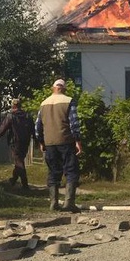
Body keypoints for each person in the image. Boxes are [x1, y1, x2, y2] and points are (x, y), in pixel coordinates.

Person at [35, 79, 83, 213]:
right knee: (71, 170)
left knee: (53, 171)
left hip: (49, 142)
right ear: (64, 89)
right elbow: (74, 123)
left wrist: (41, 141)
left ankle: (53, 203)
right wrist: (78, 140)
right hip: (66, 141)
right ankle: (69, 203)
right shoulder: (69, 101)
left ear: (53, 88)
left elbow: (38, 126)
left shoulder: (43, 103)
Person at [0, 98, 34, 189]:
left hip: (15, 142)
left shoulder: (11, 116)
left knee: (19, 162)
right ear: (20, 105)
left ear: (13, 105)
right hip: (25, 142)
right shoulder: (28, 116)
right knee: (19, 160)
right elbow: (33, 129)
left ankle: (25, 184)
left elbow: (2, 128)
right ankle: (13, 179)